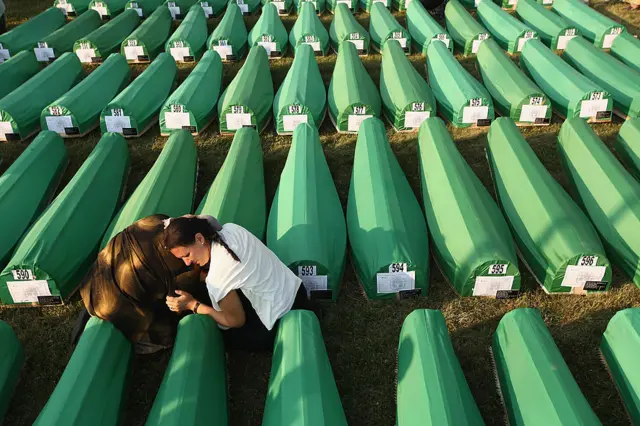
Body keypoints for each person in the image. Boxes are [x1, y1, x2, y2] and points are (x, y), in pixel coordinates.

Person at [163, 215, 308, 352]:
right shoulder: (232, 229)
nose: (187, 262)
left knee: (222, 328)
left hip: (279, 321)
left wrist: (193, 305)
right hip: (297, 292)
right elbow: (203, 219)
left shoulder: (218, 276)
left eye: (187, 255)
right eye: (181, 258)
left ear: (200, 238)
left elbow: (236, 321)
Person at [76, 214, 213, 353]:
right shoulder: (183, 265)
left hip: (92, 281)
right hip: (110, 305)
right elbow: (178, 306)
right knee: (166, 332)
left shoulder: (159, 220)